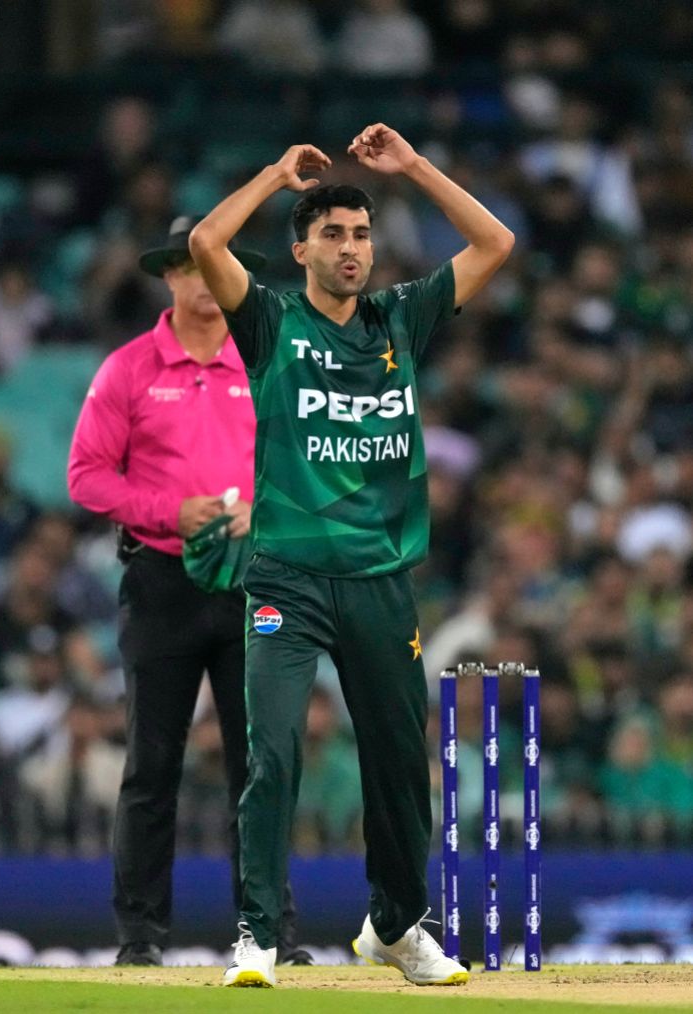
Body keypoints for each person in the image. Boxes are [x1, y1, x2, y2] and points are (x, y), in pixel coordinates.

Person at [189, 122, 514, 988]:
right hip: (286, 578)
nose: (351, 249)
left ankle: (397, 926)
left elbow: (496, 242)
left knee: (402, 759)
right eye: (331, 233)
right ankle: (256, 936)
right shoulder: (267, 319)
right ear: (299, 249)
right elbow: (205, 242)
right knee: (277, 750)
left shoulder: (401, 317)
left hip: (379, 580)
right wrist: (272, 170)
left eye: (362, 234)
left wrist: (412, 168)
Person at [67, 216, 310, 967]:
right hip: (162, 578)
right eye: (196, 265)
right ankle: (140, 937)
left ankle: (266, 934)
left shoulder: (268, 361)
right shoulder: (129, 369)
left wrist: (260, 512)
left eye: (222, 265)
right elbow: (86, 476)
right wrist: (169, 512)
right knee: (152, 762)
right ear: (171, 276)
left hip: (252, 578)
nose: (209, 279)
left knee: (260, 764)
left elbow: (308, 466)